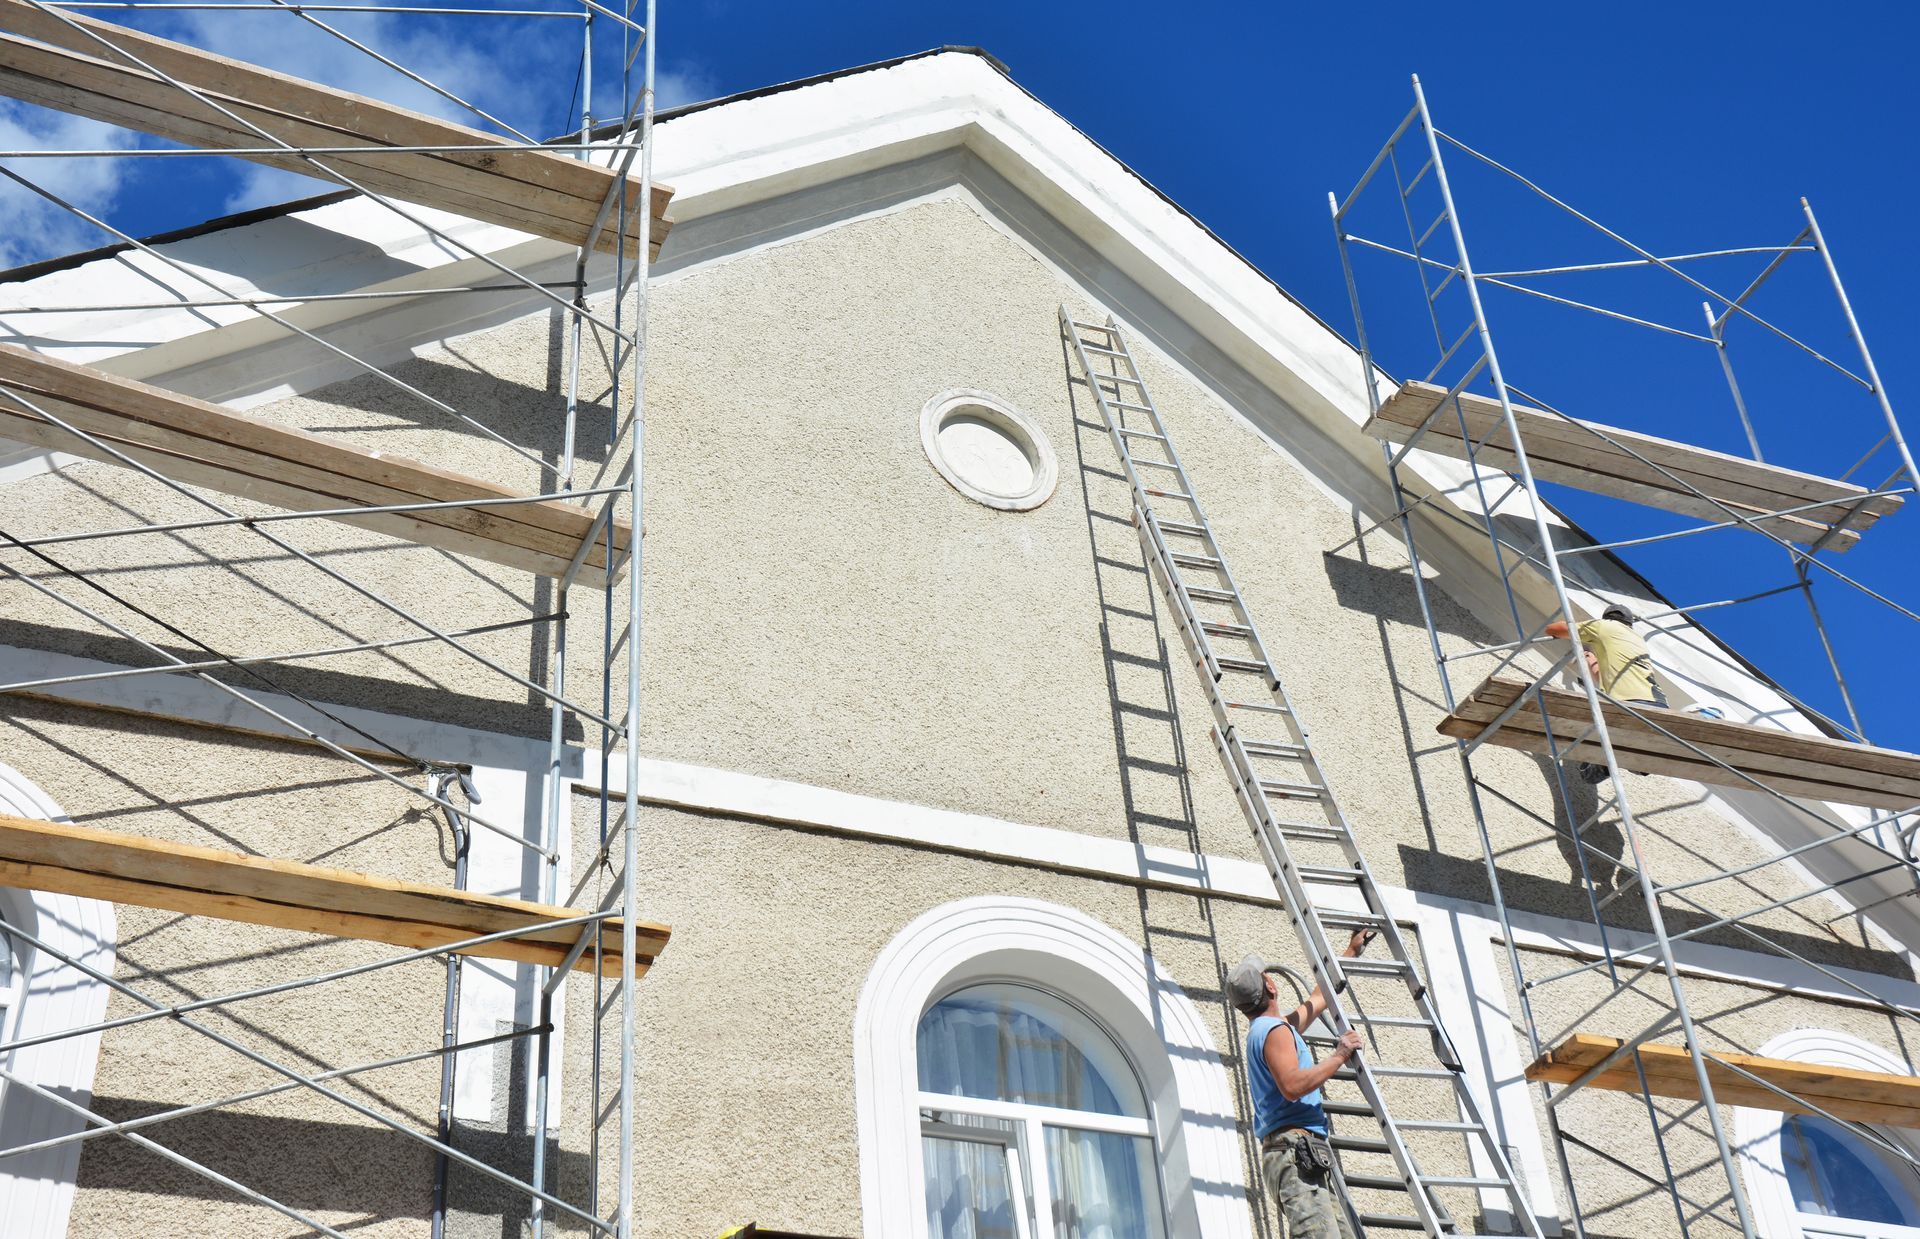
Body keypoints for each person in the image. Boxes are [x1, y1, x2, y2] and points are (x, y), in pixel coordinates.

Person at [1226, 930, 1374, 1239]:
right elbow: (1292, 1086)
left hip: (1297, 1153)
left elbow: (1319, 998)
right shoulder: (1274, 1032)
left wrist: (1350, 952)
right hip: (1293, 1153)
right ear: (1271, 985)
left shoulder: (1275, 1029)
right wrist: (1340, 1055)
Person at [1544, 604, 1668, 784]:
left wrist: (1553, 628)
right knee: (1626, 747)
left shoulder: (1605, 626)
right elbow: (1607, 678)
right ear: (1629, 624)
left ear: (1608, 618)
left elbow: (1557, 629)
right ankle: (1635, 762)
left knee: (1588, 773)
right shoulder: (1636, 641)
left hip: (1631, 704)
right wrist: (1591, 660)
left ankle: (1611, 762)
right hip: (1658, 705)